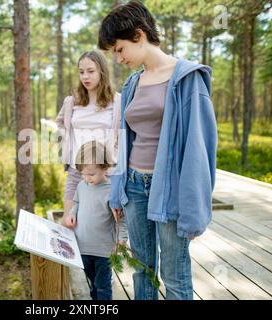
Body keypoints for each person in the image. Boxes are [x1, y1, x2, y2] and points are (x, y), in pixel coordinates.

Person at [98, 0, 217, 300]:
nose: (118, 58)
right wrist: (117, 188)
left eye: (120, 49)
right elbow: (125, 139)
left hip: (171, 189)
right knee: (142, 269)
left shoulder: (188, 78)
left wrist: (194, 208)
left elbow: (200, 149)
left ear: (138, 35)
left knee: (175, 276)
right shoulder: (133, 83)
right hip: (135, 186)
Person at [55, 50, 121, 228]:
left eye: (90, 71)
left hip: (106, 171)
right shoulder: (72, 102)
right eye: (81, 71)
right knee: (69, 223)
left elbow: (124, 132)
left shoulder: (117, 102)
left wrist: (113, 145)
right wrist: (70, 141)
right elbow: (60, 122)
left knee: (104, 226)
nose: (85, 76)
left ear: (102, 71)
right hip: (78, 170)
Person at [65, 140, 128, 300]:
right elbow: (77, 203)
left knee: (103, 285)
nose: (87, 178)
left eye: (91, 174)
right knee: (92, 282)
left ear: (105, 168)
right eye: (83, 174)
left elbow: (121, 219)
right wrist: (72, 213)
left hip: (103, 250)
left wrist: (122, 239)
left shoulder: (111, 191)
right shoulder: (81, 186)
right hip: (83, 247)